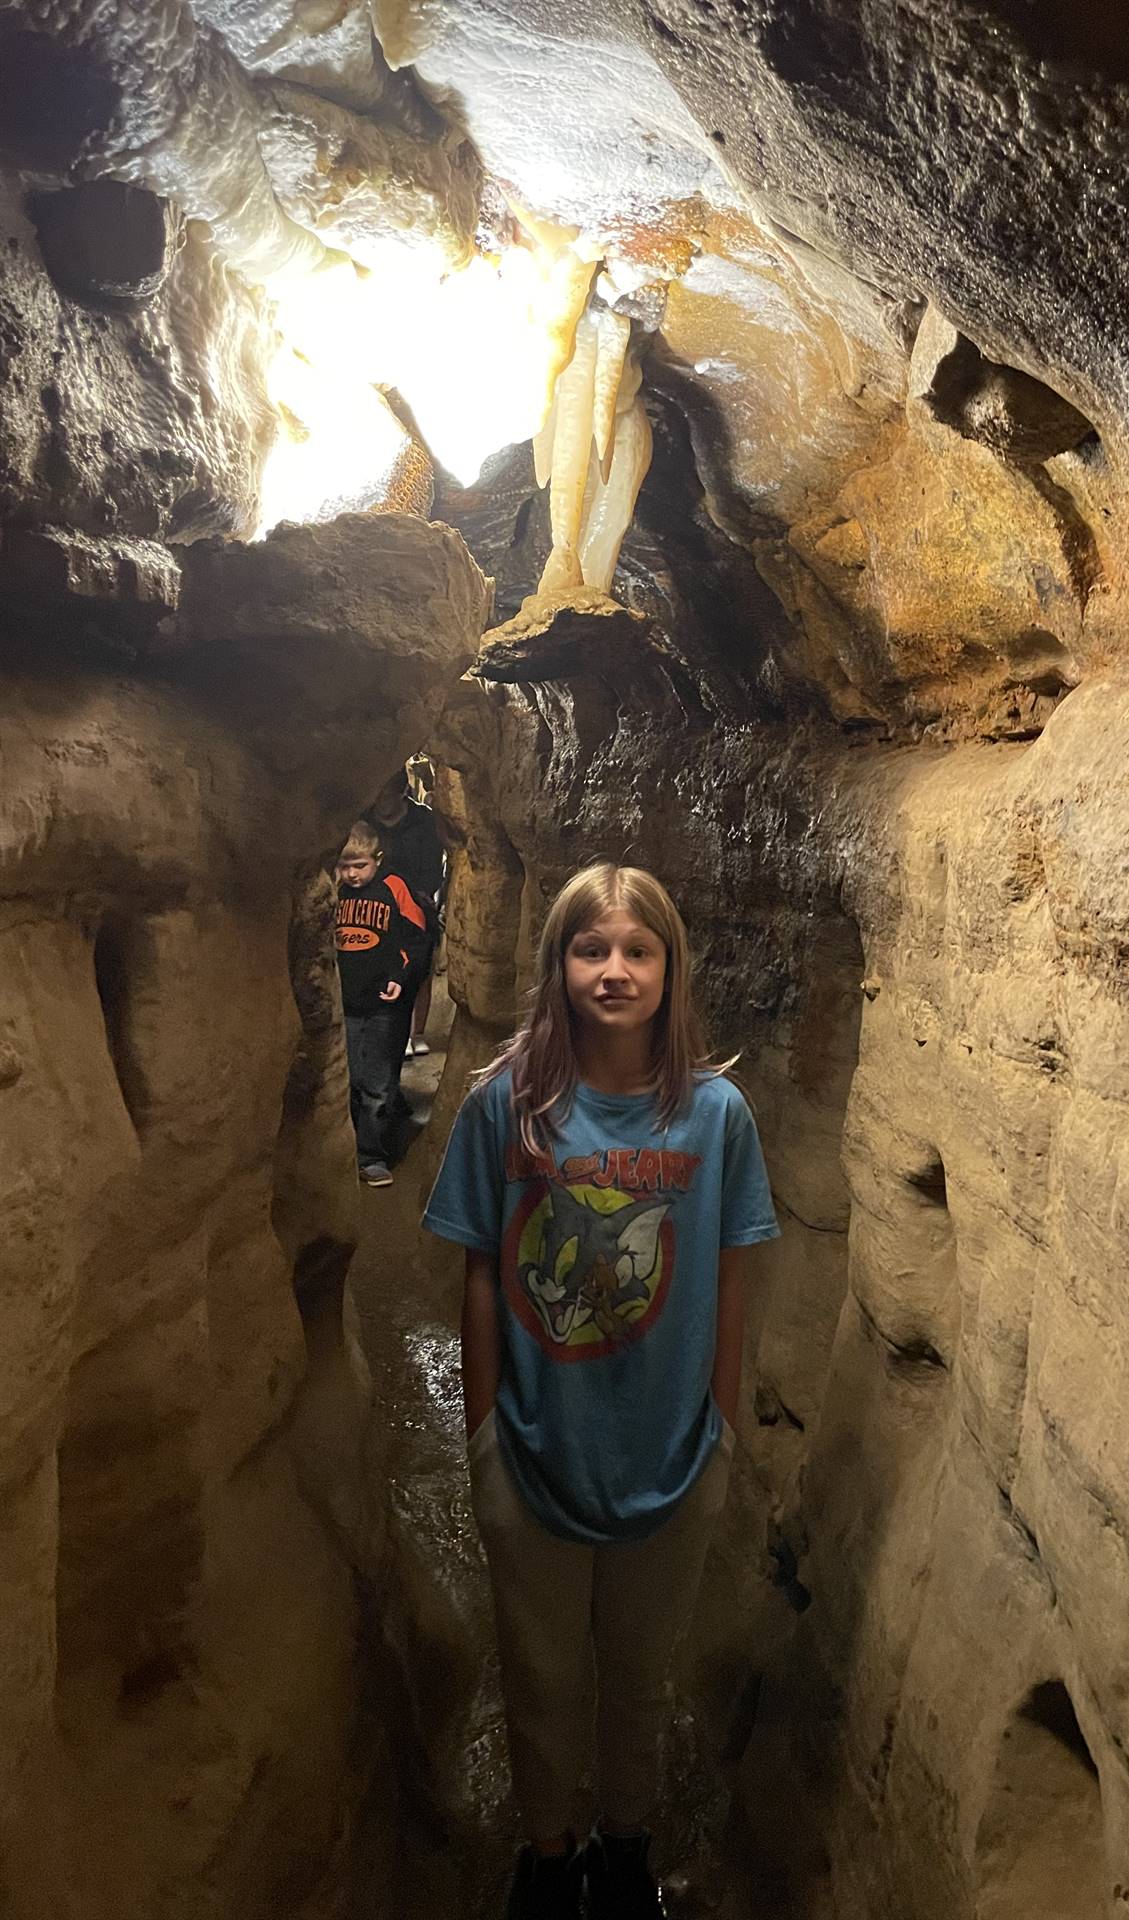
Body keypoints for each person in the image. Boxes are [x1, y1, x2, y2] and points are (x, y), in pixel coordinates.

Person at [422, 863, 779, 1920]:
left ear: (670, 970)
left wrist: (717, 1427)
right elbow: (484, 1269)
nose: (614, 972)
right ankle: (549, 1848)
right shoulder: (508, 1106)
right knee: (539, 1672)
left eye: (637, 951)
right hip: (535, 1446)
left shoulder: (715, 1118)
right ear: (559, 964)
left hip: (671, 1451)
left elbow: (730, 1276)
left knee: (638, 1674)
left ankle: (624, 1845)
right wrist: (485, 1435)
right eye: (591, 949)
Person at [334, 823, 429, 1188]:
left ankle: (371, 1155)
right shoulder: (335, 891)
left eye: (359, 865)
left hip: (382, 1004)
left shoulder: (394, 889)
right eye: (345, 866)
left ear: (377, 859)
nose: (352, 874)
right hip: (345, 1000)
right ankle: (347, 1146)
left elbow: (416, 938)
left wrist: (400, 977)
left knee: (378, 1082)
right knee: (348, 1078)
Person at [364, 766, 446, 1056]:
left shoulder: (422, 820)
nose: (379, 801)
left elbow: (433, 866)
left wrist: (420, 900)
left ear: (401, 792)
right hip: (377, 904)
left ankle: (416, 1032)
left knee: (419, 968)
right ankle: (387, 1030)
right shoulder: (365, 820)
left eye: (386, 795)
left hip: (416, 903)